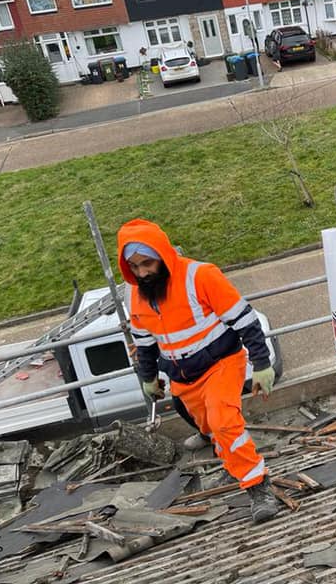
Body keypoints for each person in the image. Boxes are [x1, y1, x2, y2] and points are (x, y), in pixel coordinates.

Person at [116, 219, 279, 524]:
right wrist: (148, 378)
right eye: (134, 267)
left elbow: (245, 321)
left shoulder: (200, 276)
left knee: (224, 423)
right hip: (184, 378)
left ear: (162, 255)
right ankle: (212, 440)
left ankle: (258, 486)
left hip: (222, 364)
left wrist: (262, 364)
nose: (143, 273)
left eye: (147, 264)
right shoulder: (139, 295)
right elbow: (146, 343)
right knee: (206, 422)